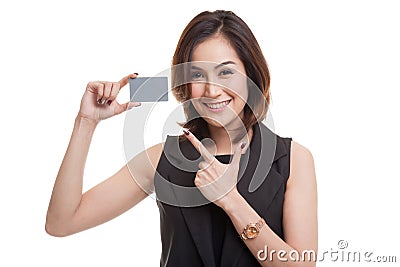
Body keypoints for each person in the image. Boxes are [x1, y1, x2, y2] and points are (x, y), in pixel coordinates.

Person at [46, 10, 318, 267]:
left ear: (251, 74)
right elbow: (61, 223)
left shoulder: (293, 160)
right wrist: (86, 122)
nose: (212, 90)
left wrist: (230, 199)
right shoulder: (161, 159)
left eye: (226, 72)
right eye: (198, 74)